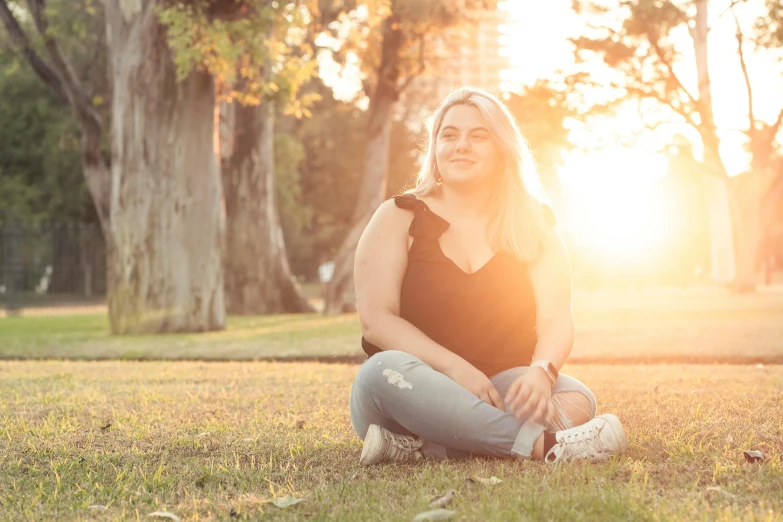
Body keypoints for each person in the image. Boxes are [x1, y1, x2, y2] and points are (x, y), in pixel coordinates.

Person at [349, 87, 628, 466]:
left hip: (498, 387)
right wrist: (456, 369)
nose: (461, 145)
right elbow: (377, 322)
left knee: (577, 396)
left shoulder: (534, 223)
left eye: (478, 136)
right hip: (407, 392)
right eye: (449, 135)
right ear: (435, 148)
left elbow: (556, 319)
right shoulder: (397, 217)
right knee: (381, 371)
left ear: (502, 148)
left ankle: (432, 448)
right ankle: (542, 448)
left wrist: (542, 372)